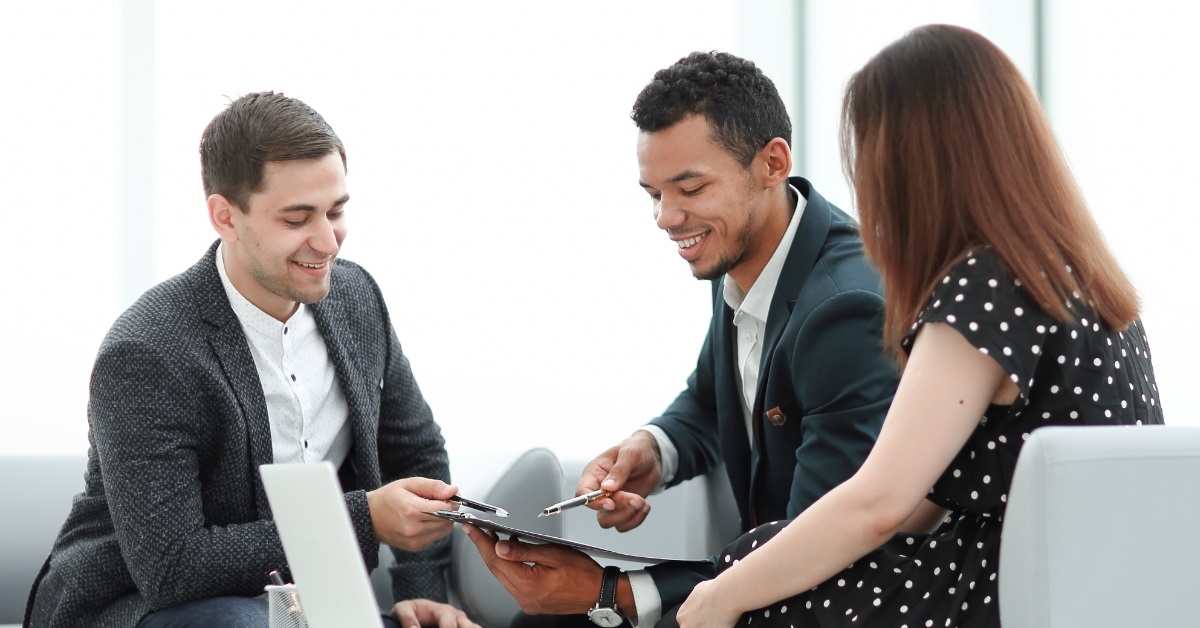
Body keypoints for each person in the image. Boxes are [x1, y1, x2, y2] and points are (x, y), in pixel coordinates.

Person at [666, 24, 1165, 628]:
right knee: (761, 561)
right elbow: (914, 503)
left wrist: (724, 595)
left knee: (758, 592)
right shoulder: (1069, 272)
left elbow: (879, 501)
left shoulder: (988, 285)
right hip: (1093, 582)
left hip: (1008, 585)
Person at [465, 51, 899, 627]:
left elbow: (815, 546)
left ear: (772, 164)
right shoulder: (741, 249)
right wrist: (651, 451)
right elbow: (712, 396)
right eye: (653, 193)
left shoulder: (844, 309)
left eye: (689, 187)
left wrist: (609, 588)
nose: (666, 218)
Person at [25, 92, 477, 628]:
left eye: (336, 211)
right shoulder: (147, 351)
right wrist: (363, 518)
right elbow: (172, 566)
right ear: (225, 217)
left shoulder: (356, 299)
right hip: (143, 607)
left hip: (304, 608)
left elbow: (415, 452)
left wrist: (421, 591)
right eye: (297, 219)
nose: (328, 241)